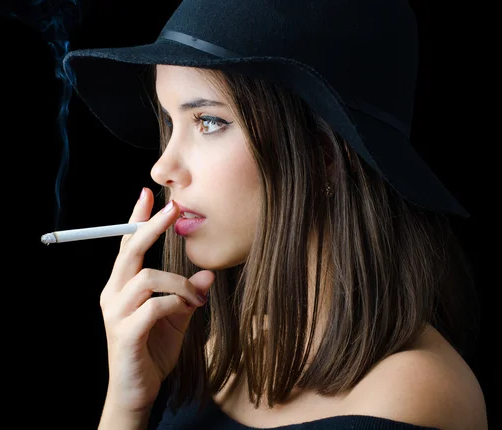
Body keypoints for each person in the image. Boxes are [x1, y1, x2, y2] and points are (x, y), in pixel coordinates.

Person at [61, 0, 487, 428]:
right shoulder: (230, 353)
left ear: (323, 157)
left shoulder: (411, 396)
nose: (161, 169)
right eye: (171, 124)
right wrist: (125, 403)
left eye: (208, 122)